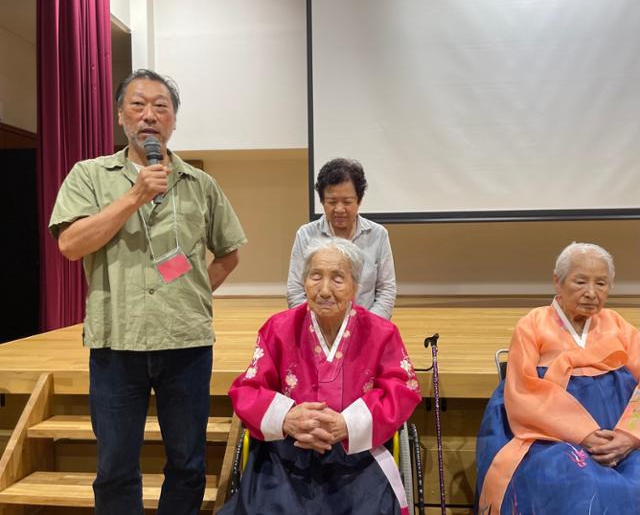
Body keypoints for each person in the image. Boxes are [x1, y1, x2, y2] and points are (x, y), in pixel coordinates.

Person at [49, 69, 247, 515]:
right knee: (116, 466)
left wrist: (192, 295)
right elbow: (70, 244)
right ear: (121, 116)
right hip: (117, 341)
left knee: (188, 463)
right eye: (138, 105)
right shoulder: (90, 176)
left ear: (174, 120)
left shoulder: (200, 185)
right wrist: (133, 198)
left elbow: (229, 253)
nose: (150, 115)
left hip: (187, 343)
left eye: (161, 106)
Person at [220, 237, 421, 514]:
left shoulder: (382, 332)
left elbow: (403, 389)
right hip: (285, 454)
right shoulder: (278, 329)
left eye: (337, 278)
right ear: (304, 282)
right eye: (316, 276)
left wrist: (347, 424)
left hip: (357, 457)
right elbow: (248, 390)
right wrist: (287, 418)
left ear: (355, 286)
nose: (324, 289)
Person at [476, 242, 640, 514]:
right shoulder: (532, 324)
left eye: (601, 283)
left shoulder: (619, 325)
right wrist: (585, 435)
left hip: (620, 438)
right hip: (549, 437)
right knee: (578, 481)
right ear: (557, 281)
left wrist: (630, 436)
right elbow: (524, 391)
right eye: (580, 282)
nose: (591, 293)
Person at [286, 158, 396, 319]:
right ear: (322, 201)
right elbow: (295, 290)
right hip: (317, 327)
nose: (339, 209)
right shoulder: (306, 235)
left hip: (365, 327)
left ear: (359, 201)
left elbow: (386, 290)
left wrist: (368, 327)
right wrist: (314, 326)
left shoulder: (378, 234)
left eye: (347, 202)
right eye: (331, 202)